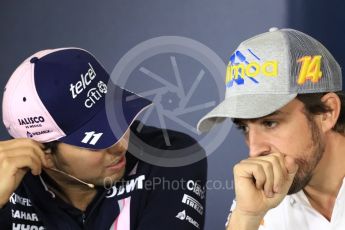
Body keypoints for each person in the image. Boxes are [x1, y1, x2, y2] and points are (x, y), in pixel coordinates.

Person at [0, 48, 207, 230]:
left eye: (118, 121)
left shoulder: (170, 155)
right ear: (43, 154)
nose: (120, 146)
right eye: (97, 140)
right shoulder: (7, 187)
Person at [197, 27, 345, 230]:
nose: (254, 150)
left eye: (270, 123)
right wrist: (247, 216)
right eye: (244, 128)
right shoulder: (264, 196)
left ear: (327, 112)